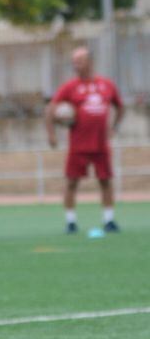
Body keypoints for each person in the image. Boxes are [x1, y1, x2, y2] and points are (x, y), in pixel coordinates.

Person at [46, 47, 123, 233]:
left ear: (89, 62)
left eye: (79, 61)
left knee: (105, 181)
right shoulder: (69, 87)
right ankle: (71, 222)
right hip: (78, 145)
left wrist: (114, 127)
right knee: (71, 182)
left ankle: (109, 220)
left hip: (100, 144)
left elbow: (120, 107)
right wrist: (52, 133)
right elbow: (50, 110)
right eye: (74, 61)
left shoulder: (107, 85)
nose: (75, 65)